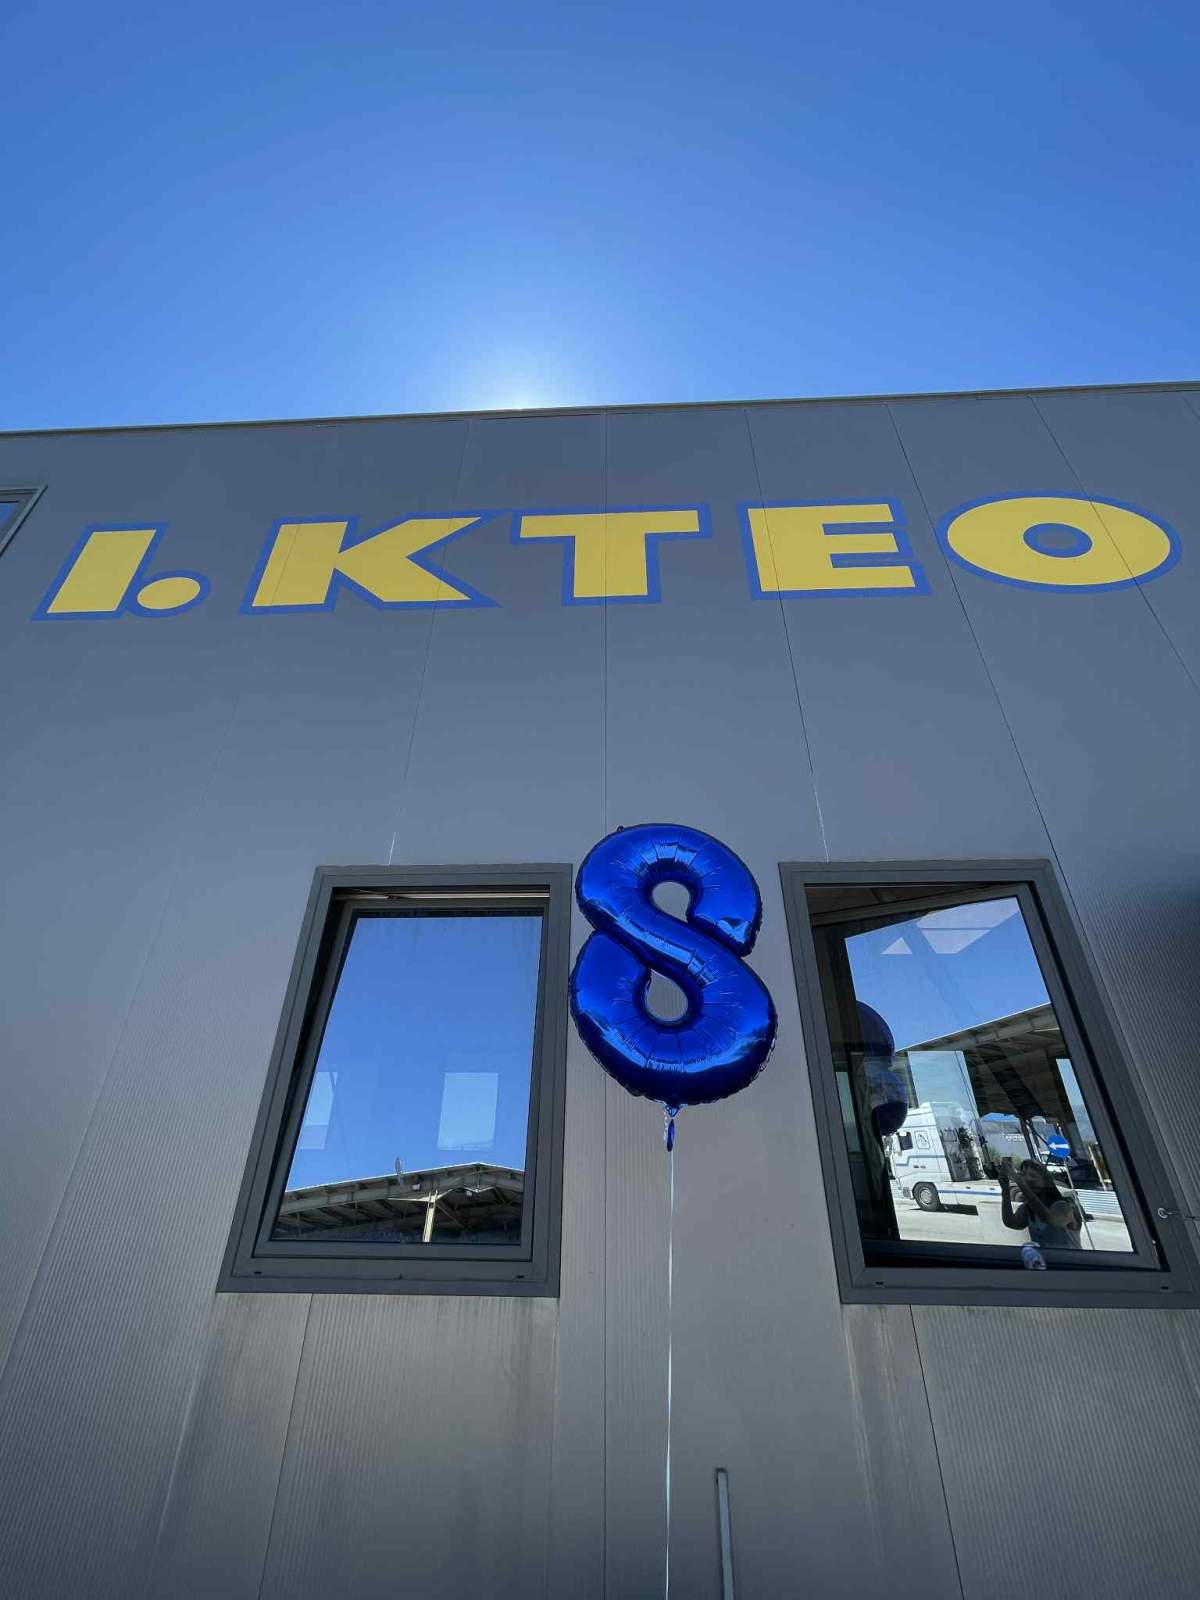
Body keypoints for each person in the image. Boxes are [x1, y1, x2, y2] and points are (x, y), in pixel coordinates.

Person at [1000, 1157, 1083, 1252]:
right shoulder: (1028, 1208)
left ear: (1045, 1180)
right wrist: (1005, 1189)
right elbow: (1012, 1223)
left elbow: (1052, 1220)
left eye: (1033, 1175)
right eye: (1024, 1175)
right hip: (1044, 1259)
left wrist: (1020, 1182)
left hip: (1070, 1259)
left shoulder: (1064, 1205)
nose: (1028, 1179)